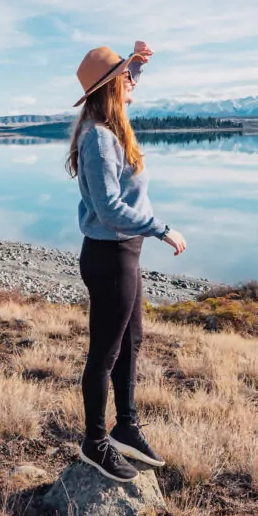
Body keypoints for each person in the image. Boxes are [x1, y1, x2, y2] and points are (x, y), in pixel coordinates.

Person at [67, 41, 187, 482]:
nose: (133, 82)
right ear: (110, 88)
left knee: (131, 342)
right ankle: (94, 444)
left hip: (124, 252)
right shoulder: (98, 137)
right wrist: (161, 227)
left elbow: (126, 78)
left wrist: (136, 60)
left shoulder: (110, 124)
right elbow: (110, 208)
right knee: (105, 353)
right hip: (110, 254)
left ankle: (125, 426)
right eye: (126, 77)